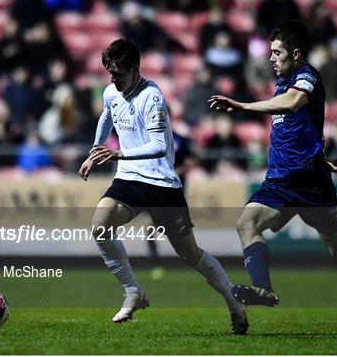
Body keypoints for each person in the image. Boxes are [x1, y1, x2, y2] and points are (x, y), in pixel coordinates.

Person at [208, 21, 337, 315]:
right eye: (271, 52)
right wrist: (319, 155)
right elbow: (300, 130)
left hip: (312, 184)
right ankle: (264, 290)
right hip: (279, 182)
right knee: (246, 224)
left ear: (297, 54)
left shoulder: (307, 76)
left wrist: (242, 107)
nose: (271, 58)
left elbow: (292, 105)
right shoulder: (281, 82)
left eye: (277, 52)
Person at [78, 39, 248, 334]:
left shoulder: (152, 97)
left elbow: (158, 145)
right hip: (130, 178)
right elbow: (107, 114)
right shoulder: (111, 92)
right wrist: (96, 149)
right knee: (100, 227)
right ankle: (134, 292)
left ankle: (235, 302)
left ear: (134, 69)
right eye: (109, 73)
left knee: (190, 255)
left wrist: (117, 153)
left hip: (161, 184)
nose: (112, 79)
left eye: (117, 73)